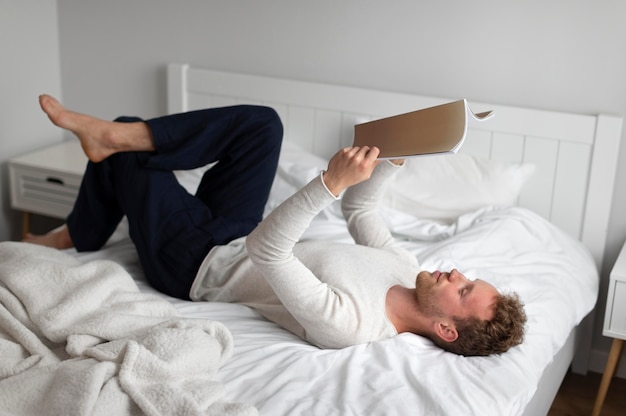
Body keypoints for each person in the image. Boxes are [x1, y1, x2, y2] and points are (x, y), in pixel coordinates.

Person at [28, 95, 526, 356]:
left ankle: (80, 225)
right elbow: (362, 214)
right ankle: (103, 163)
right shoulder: (405, 267)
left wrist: (330, 182)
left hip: (194, 265)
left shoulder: (350, 324)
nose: (455, 274)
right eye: (469, 279)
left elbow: (270, 251)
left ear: (445, 329)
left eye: (463, 291)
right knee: (262, 124)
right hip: (234, 232)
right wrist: (398, 157)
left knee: (129, 155)